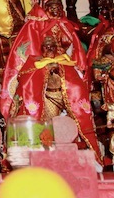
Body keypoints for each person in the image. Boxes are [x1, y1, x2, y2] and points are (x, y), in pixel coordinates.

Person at [11, 34, 101, 163]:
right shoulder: (35, 62)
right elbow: (25, 79)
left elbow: (76, 83)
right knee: (47, 126)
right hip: (46, 99)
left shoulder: (64, 61)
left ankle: (67, 153)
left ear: (56, 48)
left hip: (63, 98)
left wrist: (59, 71)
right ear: (42, 48)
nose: (49, 49)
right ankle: (45, 154)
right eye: (46, 47)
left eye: (52, 47)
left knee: (67, 127)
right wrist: (45, 71)